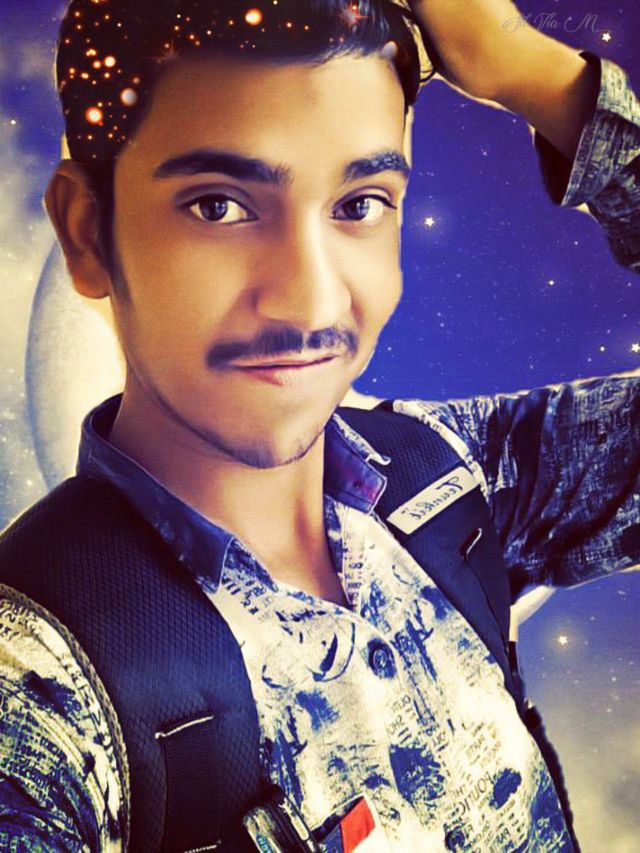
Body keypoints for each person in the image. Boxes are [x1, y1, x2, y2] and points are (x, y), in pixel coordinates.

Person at [0, 0, 638, 850]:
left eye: (360, 203)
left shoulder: (449, 478)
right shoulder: (36, 687)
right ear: (87, 234)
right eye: (218, 206)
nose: (310, 298)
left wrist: (535, 74)